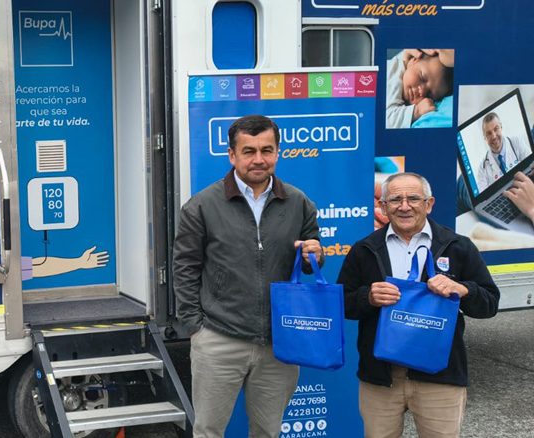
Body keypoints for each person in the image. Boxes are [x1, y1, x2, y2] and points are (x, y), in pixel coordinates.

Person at [173, 114, 324, 438]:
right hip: (219, 338)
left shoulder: (298, 203)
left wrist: (315, 255)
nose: (259, 159)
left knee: (267, 432)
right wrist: (195, 327)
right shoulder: (202, 206)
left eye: (266, 150)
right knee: (208, 432)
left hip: (278, 343)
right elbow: (184, 268)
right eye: (249, 151)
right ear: (232, 155)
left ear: (278, 152)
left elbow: (310, 262)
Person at [338, 172, 499, 437]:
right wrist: (368, 297)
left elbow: (490, 303)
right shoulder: (364, 249)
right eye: (395, 200)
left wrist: (463, 290)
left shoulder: (457, 246)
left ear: (429, 204)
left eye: (413, 198)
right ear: (383, 206)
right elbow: (342, 303)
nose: (404, 206)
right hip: (381, 378)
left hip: (440, 377)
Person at [386, 49, 454, 129]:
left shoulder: (409, 69)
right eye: (422, 78)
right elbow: (386, 121)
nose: (422, 91)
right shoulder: (393, 75)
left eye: (428, 94)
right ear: (413, 60)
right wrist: (416, 111)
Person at [475, 112, 531, 192]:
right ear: (484, 137)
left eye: (496, 129)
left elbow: (531, 166)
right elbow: (483, 195)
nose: (494, 136)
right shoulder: (482, 168)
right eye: (489, 133)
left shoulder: (516, 142)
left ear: (501, 127)